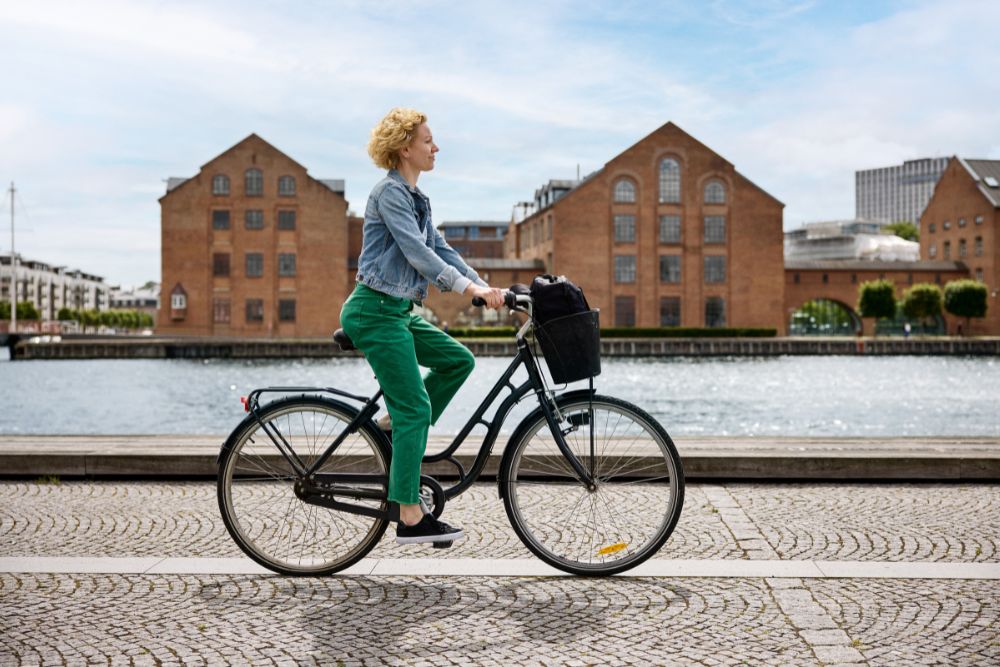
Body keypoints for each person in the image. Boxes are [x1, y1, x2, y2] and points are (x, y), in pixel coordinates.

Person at [340, 108, 504, 545]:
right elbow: (417, 253)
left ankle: (395, 425)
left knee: (457, 361)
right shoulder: (389, 194)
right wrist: (466, 288)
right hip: (374, 312)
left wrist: (485, 286)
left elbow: (441, 248)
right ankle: (410, 516)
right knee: (417, 409)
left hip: (398, 312)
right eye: (428, 141)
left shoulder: (417, 199)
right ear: (404, 148)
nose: (436, 147)